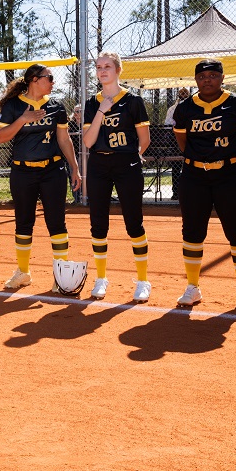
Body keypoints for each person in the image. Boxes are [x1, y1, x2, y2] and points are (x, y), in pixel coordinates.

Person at [171, 58, 236, 311]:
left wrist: (230, 161)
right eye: (202, 76)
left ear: (222, 78)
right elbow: (183, 142)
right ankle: (192, 287)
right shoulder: (186, 108)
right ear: (196, 79)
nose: (207, 80)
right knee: (192, 232)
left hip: (230, 176)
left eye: (212, 75)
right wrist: (201, 160)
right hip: (194, 177)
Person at [0, 64, 81, 290]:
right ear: (34, 80)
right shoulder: (14, 106)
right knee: (24, 222)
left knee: (56, 222)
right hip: (23, 172)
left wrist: (74, 166)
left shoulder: (56, 106)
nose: (53, 82)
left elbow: (64, 139)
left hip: (52, 171)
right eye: (49, 77)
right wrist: (23, 119)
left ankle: (60, 275)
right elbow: (0, 137)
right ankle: (23, 272)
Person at [81, 51, 152, 302]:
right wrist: (101, 111)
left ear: (118, 70)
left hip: (126, 164)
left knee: (134, 222)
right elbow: (88, 142)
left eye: (107, 66)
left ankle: (143, 280)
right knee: (98, 222)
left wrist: (134, 156)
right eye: (99, 67)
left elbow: (144, 139)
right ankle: (101, 278)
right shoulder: (92, 103)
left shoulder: (133, 101)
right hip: (99, 163)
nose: (102, 71)